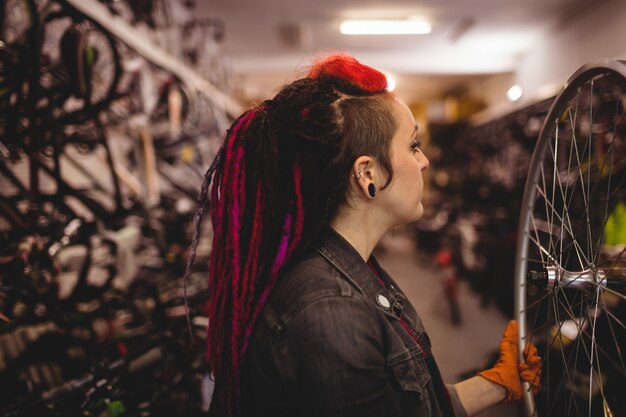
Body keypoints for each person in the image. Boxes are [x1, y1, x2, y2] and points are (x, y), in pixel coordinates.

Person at [189, 54, 541, 417]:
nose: (424, 162)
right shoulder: (330, 312)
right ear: (367, 174)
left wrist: (498, 382)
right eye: (412, 146)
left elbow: (405, 403)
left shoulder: (343, 266)